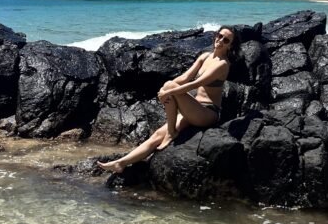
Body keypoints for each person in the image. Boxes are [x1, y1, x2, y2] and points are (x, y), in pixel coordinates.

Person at [97, 26, 240, 174]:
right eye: (220, 35)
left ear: (231, 45)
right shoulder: (205, 57)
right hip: (194, 108)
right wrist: (165, 89)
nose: (221, 40)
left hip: (208, 113)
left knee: (170, 87)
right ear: (215, 35)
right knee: (158, 134)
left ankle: (171, 132)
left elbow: (195, 84)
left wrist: (169, 91)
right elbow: (185, 78)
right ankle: (121, 163)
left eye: (226, 40)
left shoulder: (222, 64)